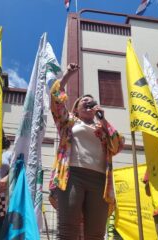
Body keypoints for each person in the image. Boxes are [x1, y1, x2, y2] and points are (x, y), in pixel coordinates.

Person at [48, 63, 124, 239]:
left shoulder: (103, 127)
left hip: (100, 181)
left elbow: (117, 145)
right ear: (76, 108)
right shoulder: (69, 122)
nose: (89, 102)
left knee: (96, 233)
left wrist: (103, 121)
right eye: (84, 100)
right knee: (68, 229)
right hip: (72, 176)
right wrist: (67, 75)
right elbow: (55, 100)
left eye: (92, 101)